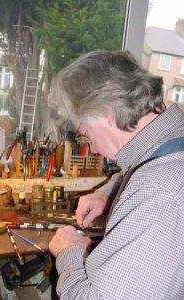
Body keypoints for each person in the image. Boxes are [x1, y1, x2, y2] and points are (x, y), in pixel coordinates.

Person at [48, 50, 184, 299]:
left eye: (84, 133)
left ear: (106, 113)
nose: (91, 147)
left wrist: (70, 251)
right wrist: (107, 193)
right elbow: (146, 163)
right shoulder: (173, 137)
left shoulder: (157, 192)